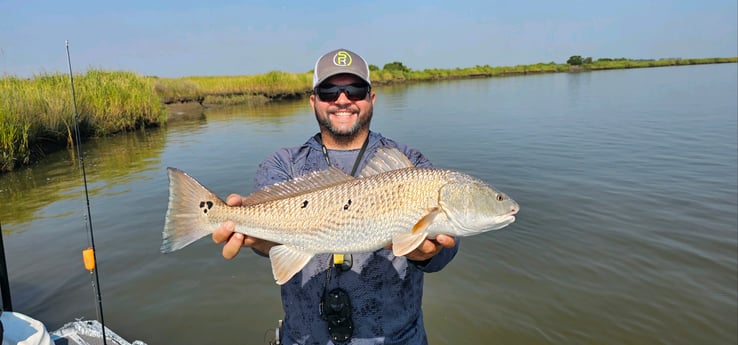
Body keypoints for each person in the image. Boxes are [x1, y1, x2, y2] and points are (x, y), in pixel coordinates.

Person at [212, 48, 459, 345]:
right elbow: (270, 246)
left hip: (397, 338)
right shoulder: (283, 164)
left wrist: (428, 254)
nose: (343, 99)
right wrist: (252, 236)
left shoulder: (409, 162)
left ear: (371, 98)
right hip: (305, 338)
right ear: (313, 101)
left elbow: (446, 248)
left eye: (355, 89)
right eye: (329, 91)